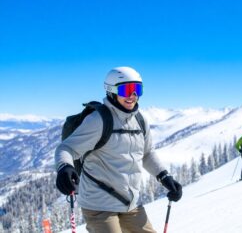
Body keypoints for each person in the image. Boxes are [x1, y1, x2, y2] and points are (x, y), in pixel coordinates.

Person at [55, 66, 182, 233]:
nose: (132, 96)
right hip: (99, 206)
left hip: (130, 204)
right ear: (111, 91)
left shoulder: (140, 120)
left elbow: (147, 153)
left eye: (137, 90)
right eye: (126, 90)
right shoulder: (98, 120)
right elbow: (66, 148)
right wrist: (64, 167)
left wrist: (164, 176)